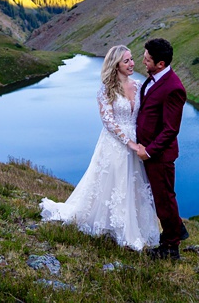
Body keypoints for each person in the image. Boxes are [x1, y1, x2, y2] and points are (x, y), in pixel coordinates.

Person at [40, 45, 160, 251]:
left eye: (132, 59)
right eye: (126, 61)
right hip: (114, 143)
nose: (132, 64)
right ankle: (116, 228)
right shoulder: (106, 89)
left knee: (135, 184)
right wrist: (129, 142)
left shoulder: (139, 85)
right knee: (114, 183)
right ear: (116, 65)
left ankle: (137, 227)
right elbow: (108, 121)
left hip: (137, 140)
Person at [134, 37, 188, 260]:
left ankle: (170, 248)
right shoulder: (152, 79)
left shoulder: (174, 88)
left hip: (159, 156)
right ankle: (177, 230)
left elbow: (170, 130)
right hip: (148, 153)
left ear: (161, 64)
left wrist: (149, 151)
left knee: (164, 199)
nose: (143, 62)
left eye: (147, 60)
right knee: (160, 198)